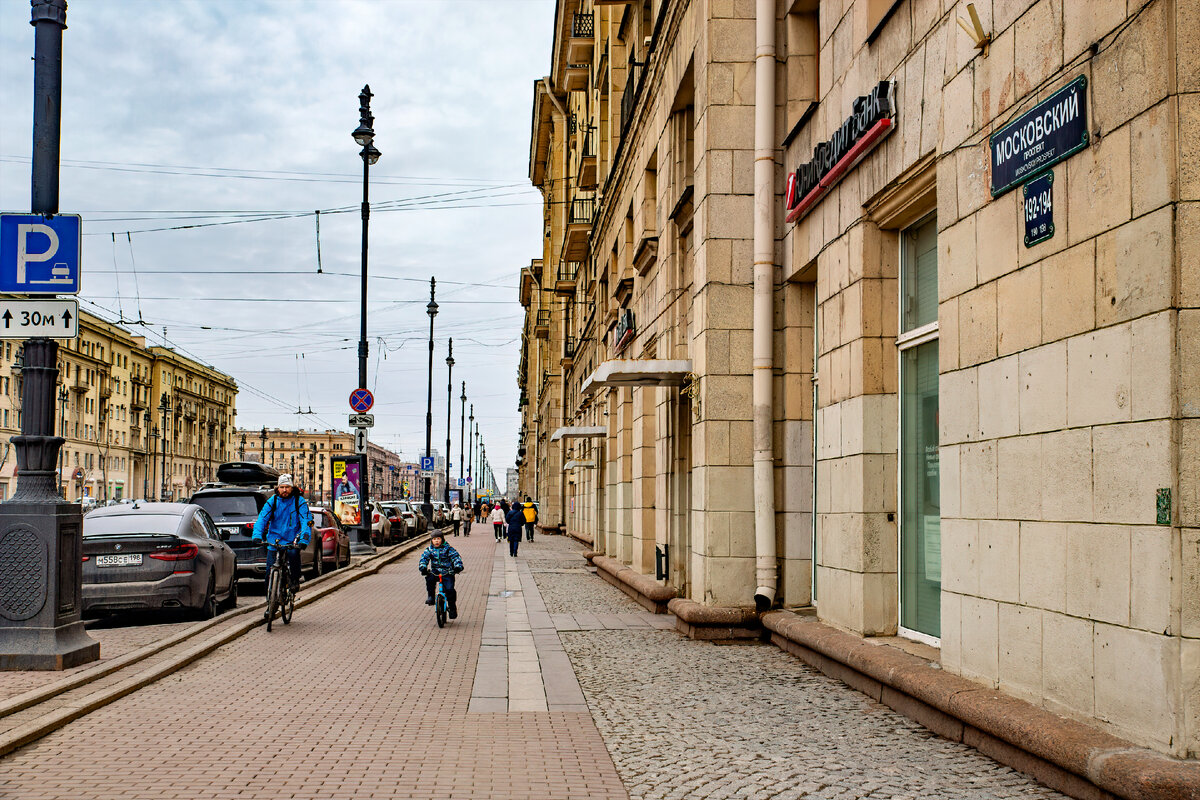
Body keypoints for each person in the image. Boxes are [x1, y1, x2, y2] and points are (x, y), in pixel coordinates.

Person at [252, 474, 313, 600]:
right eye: (282, 487)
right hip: (274, 539)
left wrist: (303, 539)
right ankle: (270, 601)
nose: (284, 490)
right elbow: (262, 519)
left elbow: (306, 521)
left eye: (287, 487)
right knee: (269, 571)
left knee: (293, 555)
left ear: (292, 488)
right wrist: (257, 535)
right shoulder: (272, 501)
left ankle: (295, 581)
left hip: (292, 539)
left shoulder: (298, 501)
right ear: (277, 488)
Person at [418, 531, 464, 619]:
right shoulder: (429, 550)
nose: (436, 541)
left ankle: (452, 607)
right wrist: (423, 567)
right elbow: (424, 558)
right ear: (431, 541)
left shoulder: (448, 549)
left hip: (447, 572)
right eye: (434, 539)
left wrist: (458, 566)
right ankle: (431, 596)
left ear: (442, 539)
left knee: (450, 590)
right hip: (435, 572)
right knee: (429, 579)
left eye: (438, 539)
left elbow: (456, 557)